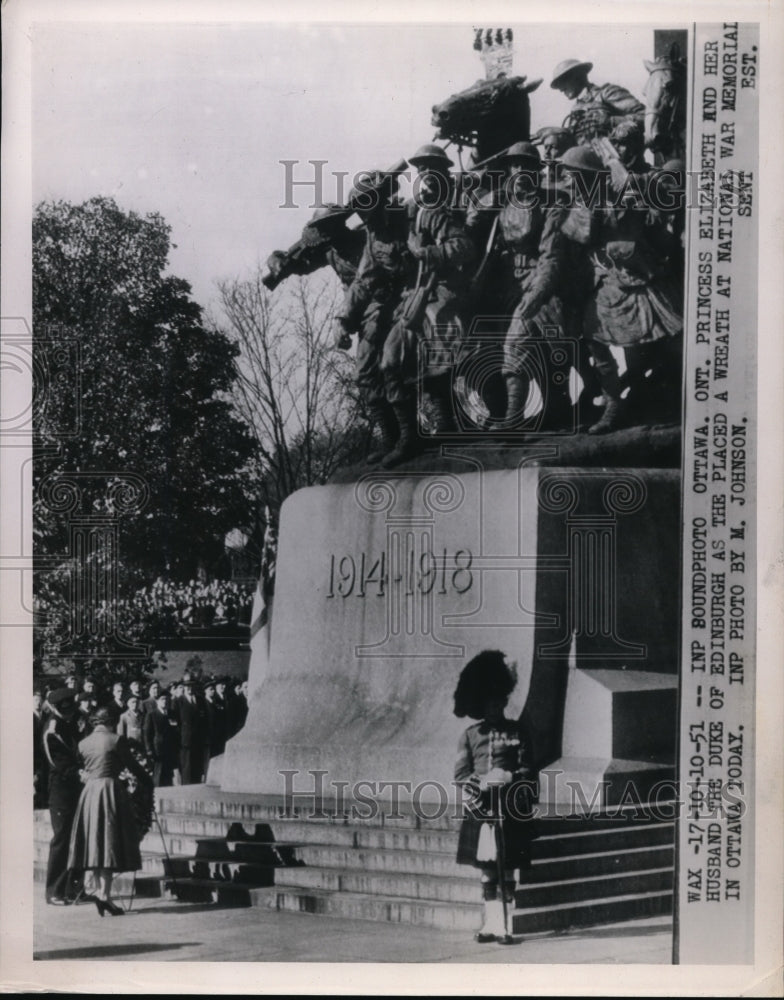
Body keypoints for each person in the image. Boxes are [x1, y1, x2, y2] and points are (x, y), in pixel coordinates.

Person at [558, 145, 683, 433]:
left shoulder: (624, 192)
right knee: (594, 339)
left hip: (640, 278)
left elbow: (654, 227)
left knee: (658, 343)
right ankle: (614, 403)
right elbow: (582, 234)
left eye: (573, 175)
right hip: (606, 282)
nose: (568, 180)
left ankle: (655, 396)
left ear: (587, 175)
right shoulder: (578, 207)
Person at [378, 143, 476, 465]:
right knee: (390, 361)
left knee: (438, 361)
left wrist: (428, 253)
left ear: (444, 175)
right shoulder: (411, 211)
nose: (426, 177)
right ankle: (409, 435)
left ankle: (447, 424)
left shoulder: (439, 212)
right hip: (413, 299)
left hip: (440, 292)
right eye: (421, 171)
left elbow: (463, 247)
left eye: (432, 171)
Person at [466, 141, 573, 431]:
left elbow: (552, 254)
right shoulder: (501, 202)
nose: (520, 170)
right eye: (515, 165)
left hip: (541, 282)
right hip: (505, 285)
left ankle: (513, 418)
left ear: (537, 171)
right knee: (478, 343)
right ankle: (503, 410)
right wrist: (476, 209)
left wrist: (538, 293)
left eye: (527, 165)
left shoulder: (553, 202)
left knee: (519, 341)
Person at [453, 651, 537, 944]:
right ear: (480, 703)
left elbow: (529, 769)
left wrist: (510, 777)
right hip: (482, 809)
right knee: (488, 871)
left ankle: (507, 926)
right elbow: (461, 775)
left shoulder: (518, 731)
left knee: (508, 869)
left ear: (503, 700)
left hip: (511, 808)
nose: (494, 706)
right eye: (488, 702)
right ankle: (492, 924)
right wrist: (481, 783)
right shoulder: (470, 735)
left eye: (498, 701)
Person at [334, 164, 414, 464]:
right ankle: (391, 438)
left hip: (419, 296)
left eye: (367, 205)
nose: (364, 214)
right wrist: (343, 320)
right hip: (390, 306)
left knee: (392, 362)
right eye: (359, 209)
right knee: (365, 372)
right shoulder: (372, 236)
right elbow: (364, 279)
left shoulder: (408, 217)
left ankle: (410, 437)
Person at [67, 705, 152, 916]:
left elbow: (83, 767)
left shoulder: (83, 743)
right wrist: (147, 781)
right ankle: (104, 895)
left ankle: (97, 890)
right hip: (110, 791)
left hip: (89, 793)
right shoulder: (115, 740)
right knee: (108, 841)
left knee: (94, 841)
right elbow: (131, 765)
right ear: (110, 721)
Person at [43, 688, 84, 904]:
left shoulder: (67, 724)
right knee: (61, 840)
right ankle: (54, 891)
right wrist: (79, 772)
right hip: (61, 793)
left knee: (77, 839)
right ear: (60, 709)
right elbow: (58, 762)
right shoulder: (52, 729)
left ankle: (73, 887)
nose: (71, 714)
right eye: (67, 710)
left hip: (75, 790)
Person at [550, 58, 645, 144]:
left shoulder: (607, 92)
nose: (561, 89)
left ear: (577, 76)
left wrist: (610, 121)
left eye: (563, 81)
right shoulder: (576, 108)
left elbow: (645, 116)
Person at [175, 677, 206, 784]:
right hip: (185, 742)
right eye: (187, 686)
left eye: (192, 686)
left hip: (198, 740)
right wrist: (181, 737)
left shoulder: (201, 700)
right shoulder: (178, 701)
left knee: (197, 769)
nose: (189, 688)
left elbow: (204, 719)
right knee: (187, 770)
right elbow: (176, 723)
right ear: (183, 687)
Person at [143, 690, 177, 787]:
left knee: (169, 776)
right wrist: (149, 750)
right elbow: (147, 734)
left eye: (166, 699)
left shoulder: (171, 713)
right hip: (158, 750)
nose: (165, 701)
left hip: (170, 749)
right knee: (159, 775)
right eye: (162, 699)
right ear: (157, 701)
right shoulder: (151, 715)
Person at [34, 689, 49, 809]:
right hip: (34, 754)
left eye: (40, 701)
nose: (38, 703)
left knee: (44, 779)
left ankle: (44, 803)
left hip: (45, 754)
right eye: (35, 700)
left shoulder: (46, 716)